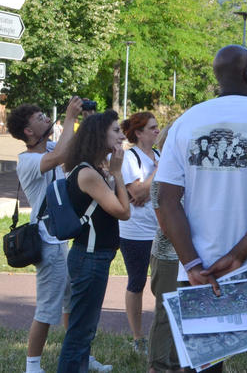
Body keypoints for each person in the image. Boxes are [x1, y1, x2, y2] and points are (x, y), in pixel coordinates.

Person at [155, 45, 247, 373]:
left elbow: (166, 201)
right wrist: (238, 256)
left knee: (203, 367)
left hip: (199, 272)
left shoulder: (185, 122)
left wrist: (192, 263)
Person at [7, 97, 112, 373]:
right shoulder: (28, 161)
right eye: (40, 117)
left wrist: (87, 119)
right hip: (47, 240)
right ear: (28, 131)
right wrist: (68, 118)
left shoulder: (52, 145)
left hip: (62, 238)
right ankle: (32, 366)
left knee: (71, 304)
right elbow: (61, 157)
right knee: (47, 309)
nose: (45, 119)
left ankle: (82, 356)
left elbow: (72, 148)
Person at [56, 110, 131, 372]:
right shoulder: (88, 174)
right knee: (80, 333)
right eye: (116, 130)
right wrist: (117, 173)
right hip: (90, 258)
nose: (122, 135)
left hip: (92, 257)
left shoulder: (90, 170)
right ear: (100, 136)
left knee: (84, 331)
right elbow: (124, 212)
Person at [120, 112, 161, 353]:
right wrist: (157, 173)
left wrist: (147, 187)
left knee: (164, 283)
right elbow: (136, 192)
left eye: (157, 127)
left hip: (160, 229)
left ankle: (161, 333)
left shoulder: (158, 155)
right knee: (137, 282)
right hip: (135, 231)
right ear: (138, 132)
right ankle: (138, 338)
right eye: (152, 128)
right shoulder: (130, 157)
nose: (157, 131)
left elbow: (152, 190)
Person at [147, 123, 183, 373]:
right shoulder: (162, 179)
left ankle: (177, 362)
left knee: (181, 311)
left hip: (184, 254)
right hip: (169, 254)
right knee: (165, 311)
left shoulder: (184, 173)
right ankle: (158, 366)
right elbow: (167, 225)